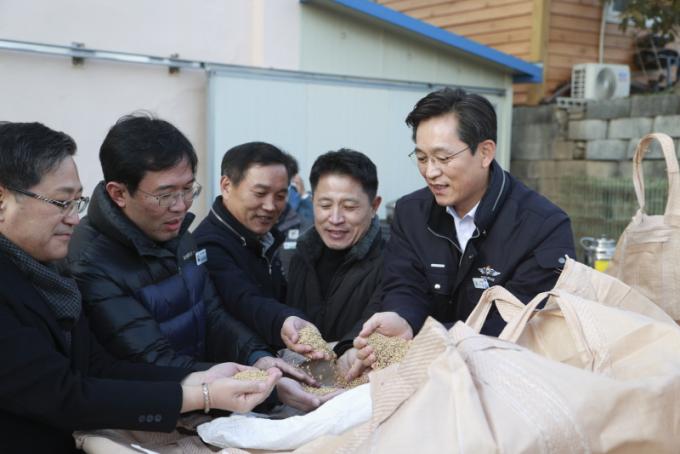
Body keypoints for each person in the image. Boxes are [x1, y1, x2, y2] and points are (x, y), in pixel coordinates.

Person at [0, 122, 280, 453]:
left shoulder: (50, 271)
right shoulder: (78, 263)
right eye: (61, 203)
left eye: (77, 201)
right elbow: (64, 394)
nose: (73, 218)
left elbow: (98, 366)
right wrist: (201, 395)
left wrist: (202, 378)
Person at [66, 115, 316, 411]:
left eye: (188, 189)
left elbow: (212, 314)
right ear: (119, 193)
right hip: (157, 409)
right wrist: (260, 383)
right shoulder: (90, 261)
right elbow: (152, 361)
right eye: (165, 195)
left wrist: (257, 357)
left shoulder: (178, 234)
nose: (181, 205)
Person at [351, 88, 575, 376]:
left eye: (443, 158)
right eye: (421, 158)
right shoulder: (410, 213)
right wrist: (403, 318)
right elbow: (404, 284)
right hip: (422, 370)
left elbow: (523, 323)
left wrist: (429, 342)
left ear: (485, 152)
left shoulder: (543, 226)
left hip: (506, 377)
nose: (430, 172)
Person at [193, 142, 335, 405]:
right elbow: (243, 299)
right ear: (226, 186)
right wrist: (283, 320)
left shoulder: (263, 237)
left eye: (280, 195)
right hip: (236, 378)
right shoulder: (208, 245)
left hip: (272, 360)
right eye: (260, 193)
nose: (270, 206)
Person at [286, 149, 383, 359]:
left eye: (349, 207)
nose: (335, 218)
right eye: (325, 205)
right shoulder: (301, 253)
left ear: (374, 206)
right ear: (312, 201)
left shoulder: (393, 261)